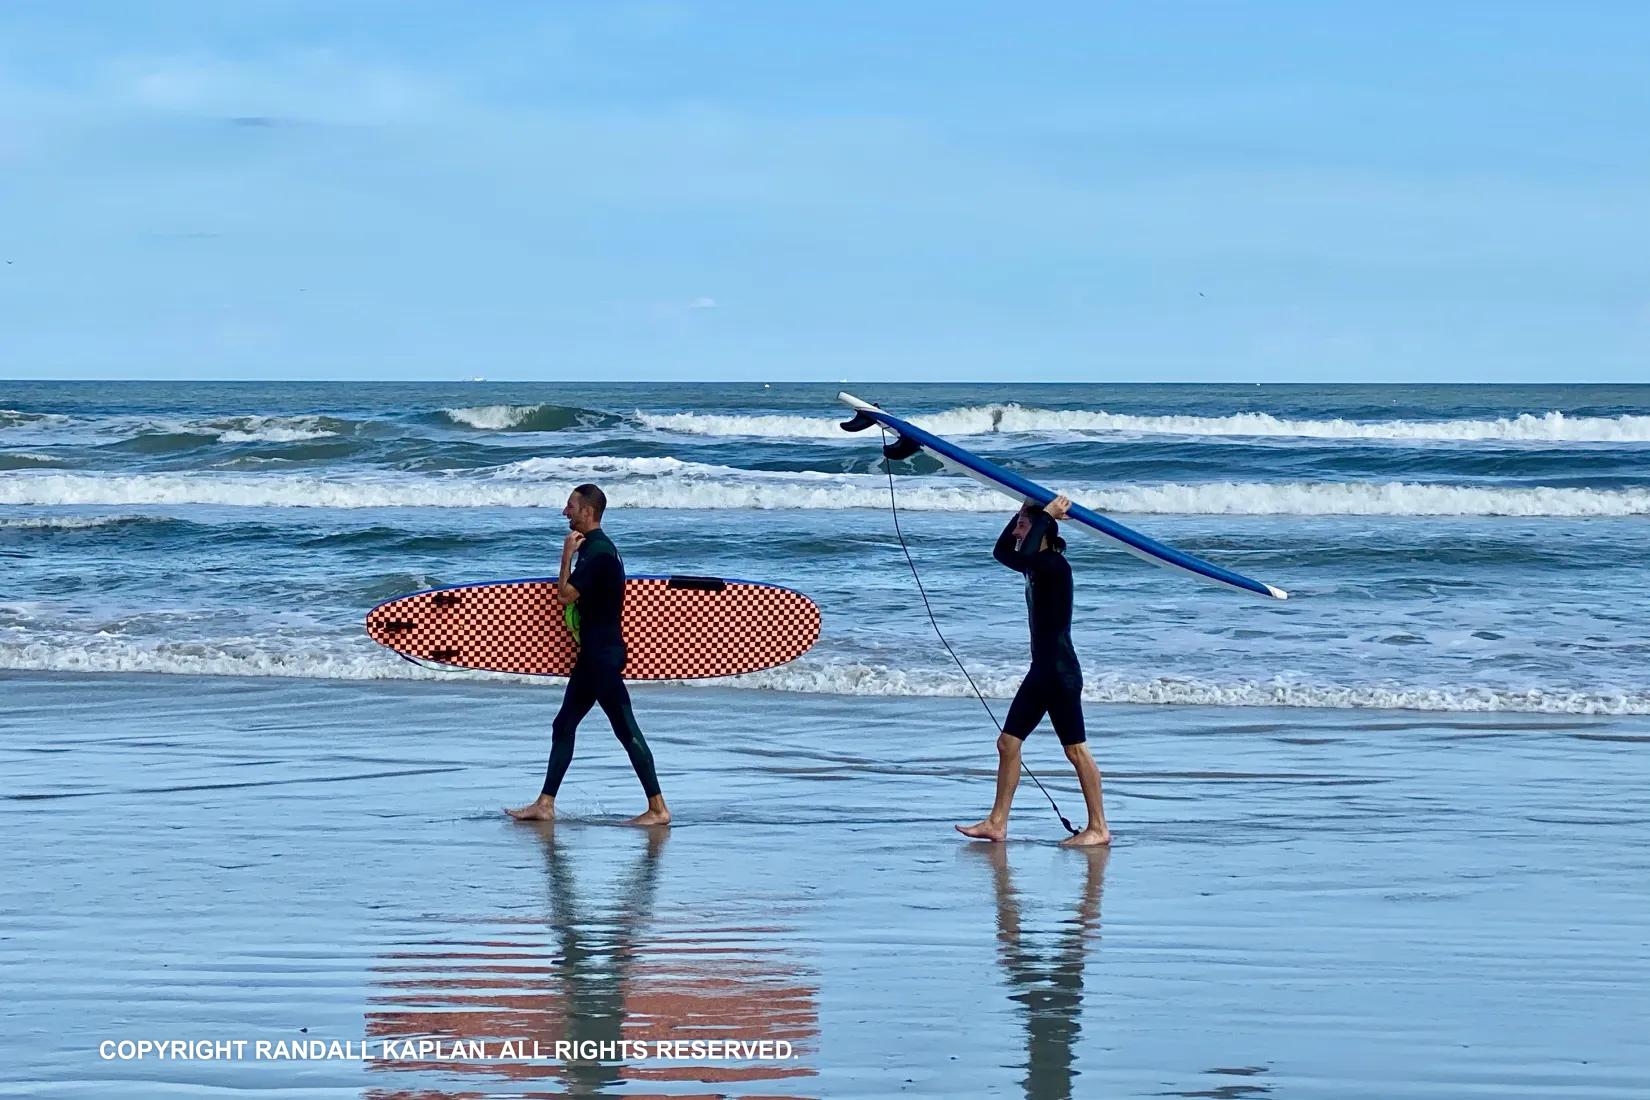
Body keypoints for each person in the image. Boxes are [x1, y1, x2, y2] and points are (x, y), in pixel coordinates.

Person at [507, 484, 670, 826]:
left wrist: (565, 555)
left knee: (625, 728)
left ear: (588, 511)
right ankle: (545, 804)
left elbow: (565, 596)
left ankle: (658, 810)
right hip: (595, 655)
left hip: (601, 657)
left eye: (570, 506)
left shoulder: (596, 552)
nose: (565, 512)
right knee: (564, 724)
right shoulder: (602, 550)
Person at [957, 496, 1111, 846]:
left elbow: (1026, 553)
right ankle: (997, 822)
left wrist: (1045, 514)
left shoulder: (1054, 565)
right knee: (1008, 743)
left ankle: (1099, 827)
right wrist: (1024, 512)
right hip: (1042, 671)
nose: (1016, 530)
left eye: (1022, 526)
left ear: (1043, 531)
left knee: (1075, 751)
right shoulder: (1033, 565)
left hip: (1059, 673)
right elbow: (1002, 553)